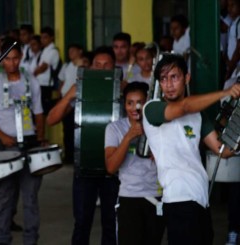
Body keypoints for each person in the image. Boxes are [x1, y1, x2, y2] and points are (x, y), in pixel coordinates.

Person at [142, 54, 240, 244]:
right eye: (163, 79)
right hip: (178, 200)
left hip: (201, 199)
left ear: (187, 78)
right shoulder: (151, 109)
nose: (168, 84)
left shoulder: (198, 115)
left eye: (174, 77)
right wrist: (225, 92)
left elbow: (223, 151)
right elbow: (184, 106)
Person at [47, 46, 119, 245]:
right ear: (90, 67)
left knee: (112, 223)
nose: (102, 70)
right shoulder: (80, 88)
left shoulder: (124, 89)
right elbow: (51, 119)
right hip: (84, 167)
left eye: (107, 66)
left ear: (115, 68)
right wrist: (70, 94)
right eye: (97, 65)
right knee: (81, 223)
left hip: (115, 169)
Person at [0, 41, 46, 245]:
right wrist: (2, 136)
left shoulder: (31, 81)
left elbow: (39, 113)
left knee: (30, 198)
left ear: (21, 58)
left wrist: (40, 138)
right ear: (1, 60)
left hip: (29, 144)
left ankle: (30, 240)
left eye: (15, 58)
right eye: (7, 59)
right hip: (6, 147)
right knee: (4, 197)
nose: (12, 63)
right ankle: (3, 239)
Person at [104, 82, 165, 244]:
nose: (135, 108)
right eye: (130, 103)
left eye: (140, 102)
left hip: (156, 196)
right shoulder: (114, 128)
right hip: (129, 197)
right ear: (124, 105)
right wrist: (128, 137)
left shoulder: (159, 127)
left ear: (147, 103)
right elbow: (110, 167)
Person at [34, 27, 60, 112]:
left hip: (47, 85)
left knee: (44, 109)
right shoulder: (45, 50)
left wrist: (33, 75)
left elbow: (43, 67)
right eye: (41, 37)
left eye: (45, 37)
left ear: (51, 38)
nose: (42, 40)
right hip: (40, 83)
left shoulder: (53, 51)